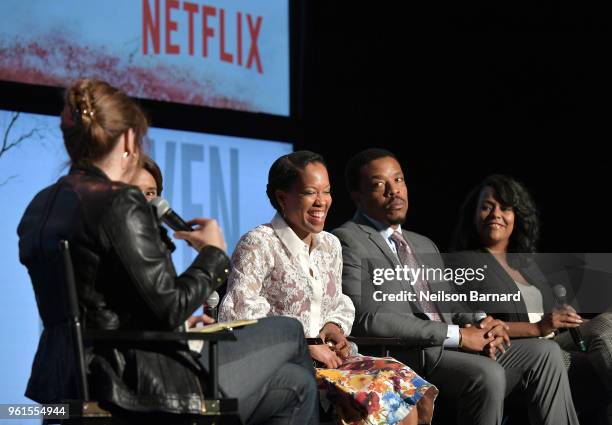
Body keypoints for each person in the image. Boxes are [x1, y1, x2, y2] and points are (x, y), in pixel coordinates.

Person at [17, 79, 318, 424]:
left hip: (69, 374)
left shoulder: (41, 205)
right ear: (129, 139)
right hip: (132, 375)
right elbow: (169, 307)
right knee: (290, 330)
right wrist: (213, 253)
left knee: (296, 386)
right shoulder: (120, 201)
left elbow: (102, 300)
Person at [332, 148, 579, 425]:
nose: (394, 191)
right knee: (488, 374)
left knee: (546, 352)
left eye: (399, 180)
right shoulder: (347, 240)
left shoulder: (423, 244)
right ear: (356, 194)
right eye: (380, 184)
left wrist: (482, 322)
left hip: (452, 350)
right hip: (409, 356)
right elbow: (366, 319)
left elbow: (450, 305)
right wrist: (458, 335)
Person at [219, 151, 438, 425]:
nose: (321, 201)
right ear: (282, 198)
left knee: (402, 387)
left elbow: (337, 302)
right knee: (383, 399)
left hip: (331, 361)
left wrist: (334, 327)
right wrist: (306, 345)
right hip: (286, 367)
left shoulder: (330, 244)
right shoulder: (259, 243)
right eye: (310, 192)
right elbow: (240, 316)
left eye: (327, 191)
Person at [450, 173, 612, 424]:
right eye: (486, 207)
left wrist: (567, 319)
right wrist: (539, 326)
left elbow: (552, 319)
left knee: (607, 324)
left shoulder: (527, 267)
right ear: (473, 215)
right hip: (517, 353)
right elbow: (471, 325)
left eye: (505, 208)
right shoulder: (463, 262)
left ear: (517, 218)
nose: (496, 214)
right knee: (595, 349)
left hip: (555, 343)